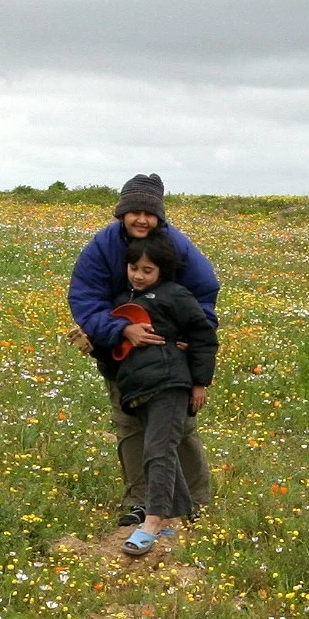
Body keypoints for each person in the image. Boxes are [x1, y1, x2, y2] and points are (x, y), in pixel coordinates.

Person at [67, 173, 218, 526]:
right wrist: (121, 329)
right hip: (119, 354)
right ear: (121, 213)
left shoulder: (177, 246)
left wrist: (191, 338)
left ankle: (197, 502)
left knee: (178, 428)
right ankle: (140, 501)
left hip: (170, 359)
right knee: (130, 424)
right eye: (133, 211)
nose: (141, 219)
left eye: (149, 213)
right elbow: (85, 299)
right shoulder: (102, 247)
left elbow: (204, 291)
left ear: (159, 217)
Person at [94, 237, 217, 553]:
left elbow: (203, 335)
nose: (138, 275)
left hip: (170, 383)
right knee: (162, 451)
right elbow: (113, 348)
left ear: (161, 270)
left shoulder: (174, 295)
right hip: (138, 390)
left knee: (158, 452)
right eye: (134, 267)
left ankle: (153, 522)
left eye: (147, 270)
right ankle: (181, 518)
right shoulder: (122, 301)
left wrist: (199, 382)